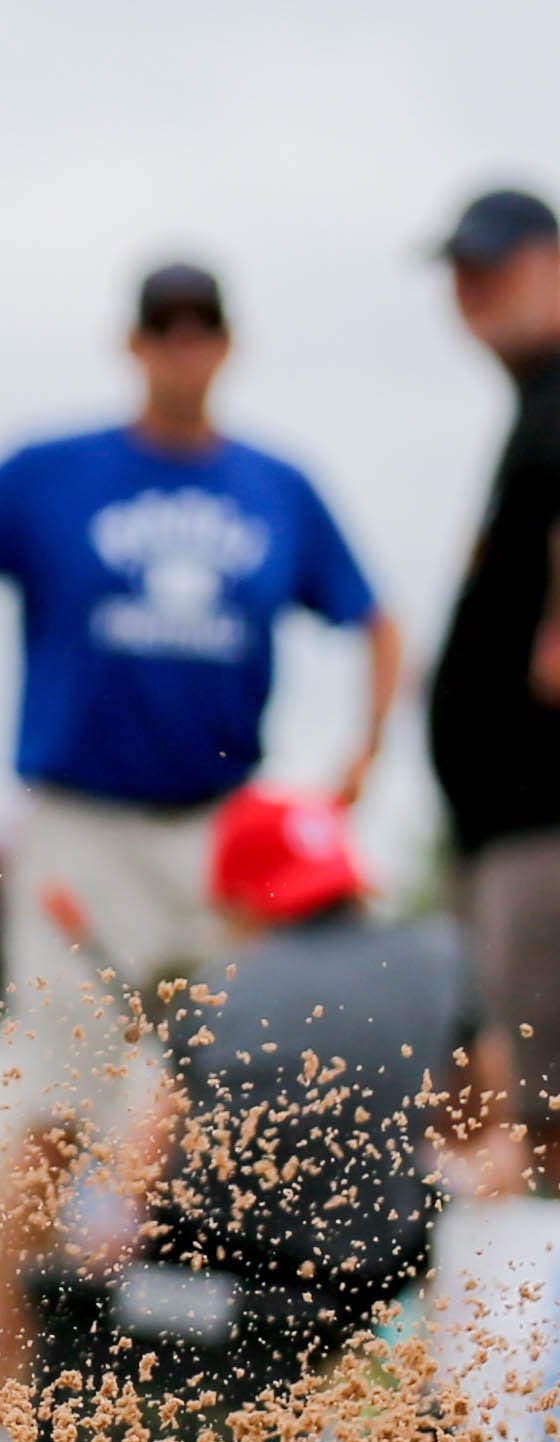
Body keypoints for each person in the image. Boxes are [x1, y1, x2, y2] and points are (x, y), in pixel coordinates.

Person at [0, 260, 403, 1385]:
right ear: (133, 342)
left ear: (225, 343)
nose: (180, 348)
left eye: (199, 327)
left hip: (224, 841)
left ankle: (203, 1400)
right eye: (162, 328)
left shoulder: (276, 487)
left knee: (230, 1128)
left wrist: (361, 757)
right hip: (78, 830)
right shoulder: (50, 471)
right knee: (55, 1117)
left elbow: (376, 618)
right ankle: (14, 1410)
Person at [24, 788, 469, 1442]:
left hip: (231, 1279)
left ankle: (62, 1431)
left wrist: (87, 1257)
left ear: (241, 898)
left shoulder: (219, 987)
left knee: (86, 1259)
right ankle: (438, 1416)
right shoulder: (440, 962)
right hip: (377, 1272)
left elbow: (138, 1177)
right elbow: (481, 1126)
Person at [425, 185, 560, 1196]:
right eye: (461, 272)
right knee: (511, 1101)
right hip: (502, 828)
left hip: (541, 823)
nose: (473, 291)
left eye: (495, 265)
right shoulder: (530, 402)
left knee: (550, 1114)